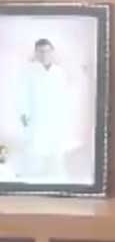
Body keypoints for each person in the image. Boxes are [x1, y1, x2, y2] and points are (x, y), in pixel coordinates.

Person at [17, 38, 74, 179]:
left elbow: (65, 96)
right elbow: (22, 94)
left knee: (55, 149)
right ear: (36, 53)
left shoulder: (59, 72)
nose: (44, 54)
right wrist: (24, 115)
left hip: (55, 116)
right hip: (36, 116)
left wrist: (64, 116)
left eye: (47, 51)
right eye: (40, 51)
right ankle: (30, 177)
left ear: (52, 52)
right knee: (34, 147)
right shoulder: (28, 71)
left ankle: (54, 177)